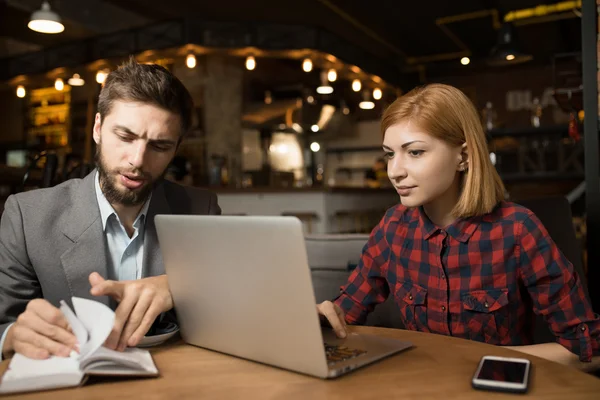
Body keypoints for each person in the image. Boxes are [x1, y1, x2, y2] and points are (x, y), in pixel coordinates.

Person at [317, 83, 600, 371]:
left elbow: (588, 350)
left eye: (414, 152)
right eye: (390, 154)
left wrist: (478, 360)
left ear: (463, 157)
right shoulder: (393, 228)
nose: (394, 171)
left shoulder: (517, 230)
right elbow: (346, 313)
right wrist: (326, 315)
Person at [0, 58, 221, 360]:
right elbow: (3, 324)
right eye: (126, 137)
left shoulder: (201, 209)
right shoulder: (27, 216)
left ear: (176, 149)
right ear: (98, 129)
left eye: (159, 146)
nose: (138, 160)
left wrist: (180, 286)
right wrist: (12, 335)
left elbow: (231, 306)